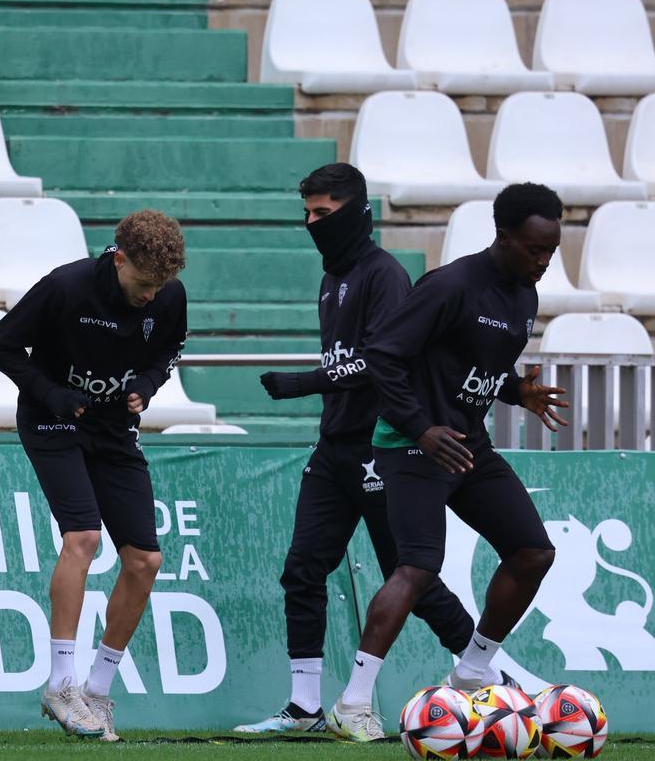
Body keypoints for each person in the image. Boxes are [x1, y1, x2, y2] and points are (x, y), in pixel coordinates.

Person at [234, 164, 501, 735]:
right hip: (334, 447)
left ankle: (492, 683)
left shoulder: (385, 276)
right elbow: (348, 359)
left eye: (323, 214)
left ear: (357, 214)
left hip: (381, 447)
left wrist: (302, 383)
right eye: (306, 214)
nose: (311, 224)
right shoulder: (334, 277)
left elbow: (379, 362)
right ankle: (304, 708)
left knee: (413, 577)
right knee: (303, 569)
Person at [327, 182, 568, 741]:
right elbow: (382, 356)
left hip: (466, 444)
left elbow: (468, 365)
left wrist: (515, 392)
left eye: (551, 252)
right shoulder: (451, 284)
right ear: (503, 238)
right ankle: (353, 703)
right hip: (412, 444)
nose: (543, 262)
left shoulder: (523, 296)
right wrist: (419, 427)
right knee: (416, 568)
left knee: (533, 551)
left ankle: (470, 675)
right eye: (534, 249)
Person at [0, 209, 187, 742]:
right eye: (144, 284)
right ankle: (60, 683)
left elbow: (171, 346)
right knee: (84, 537)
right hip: (53, 418)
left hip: (113, 427)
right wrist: (50, 392)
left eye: (160, 286)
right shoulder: (66, 287)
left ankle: (96, 690)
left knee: (145, 560)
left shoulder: (168, 295)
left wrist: (148, 381)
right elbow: (0, 344)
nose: (152, 296)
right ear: (118, 258)